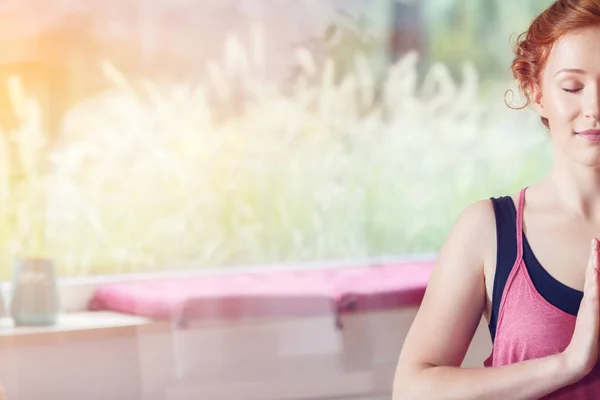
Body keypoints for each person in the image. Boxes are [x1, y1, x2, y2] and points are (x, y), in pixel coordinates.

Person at [392, 1, 600, 399]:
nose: (595, 108)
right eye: (573, 87)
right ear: (536, 93)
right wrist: (568, 363)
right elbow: (412, 389)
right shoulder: (489, 230)